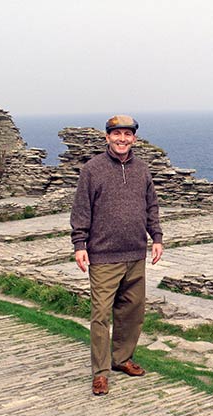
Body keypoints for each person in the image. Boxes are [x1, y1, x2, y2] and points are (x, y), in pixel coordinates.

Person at [70, 115, 163, 396]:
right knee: (100, 315)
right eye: (116, 134)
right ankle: (100, 372)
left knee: (132, 312)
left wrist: (156, 238)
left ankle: (122, 359)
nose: (122, 139)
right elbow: (81, 209)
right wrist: (79, 244)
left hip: (136, 254)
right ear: (107, 136)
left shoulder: (142, 169)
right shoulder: (92, 169)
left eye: (127, 134)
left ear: (134, 138)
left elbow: (152, 206)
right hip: (103, 256)